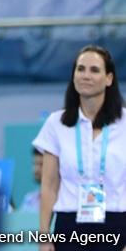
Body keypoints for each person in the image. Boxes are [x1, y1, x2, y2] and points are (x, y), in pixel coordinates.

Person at [34, 45, 126, 248]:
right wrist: (44, 236)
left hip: (117, 223)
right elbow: (49, 186)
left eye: (94, 70)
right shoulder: (55, 123)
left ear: (109, 78)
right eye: (80, 69)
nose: (86, 75)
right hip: (69, 226)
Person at [19, 147, 43, 211]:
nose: (36, 170)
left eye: (41, 164)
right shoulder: (29, 199)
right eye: (35, 164)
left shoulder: (61, 202)